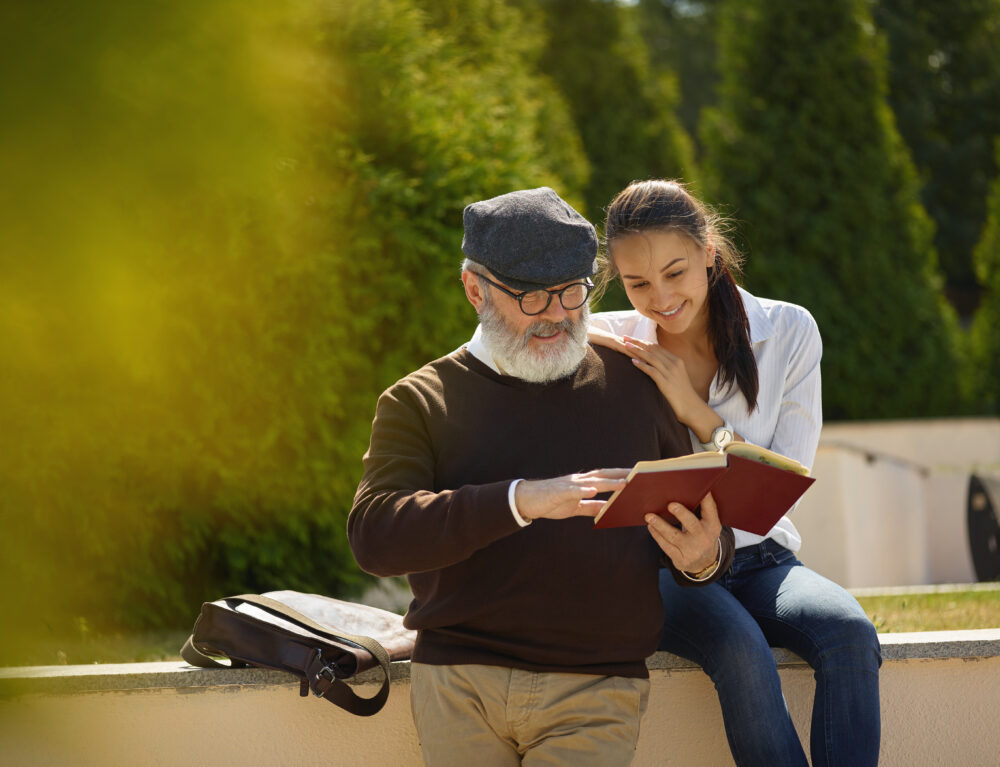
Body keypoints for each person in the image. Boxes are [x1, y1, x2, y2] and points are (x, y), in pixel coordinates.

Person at [348, 186, 736, 767]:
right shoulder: (418, 400)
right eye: (531, 297)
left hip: (596, 688)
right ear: (475, 288)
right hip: (459, 683)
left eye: (573, 291)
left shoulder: (637, 387)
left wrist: (703, 556)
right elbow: (375, 536)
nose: (557, 314)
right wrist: (519, 501)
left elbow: (698, 523)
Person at [588, 179, 882, 767]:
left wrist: (695, 412)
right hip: (664, 572)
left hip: (763, 560)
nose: (660, 298)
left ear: (710, 255)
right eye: (637, 283)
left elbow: (780, 486)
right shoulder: (610, 342)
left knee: (849, 632)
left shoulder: (789, 332)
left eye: (676, 272)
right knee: (741, 648)